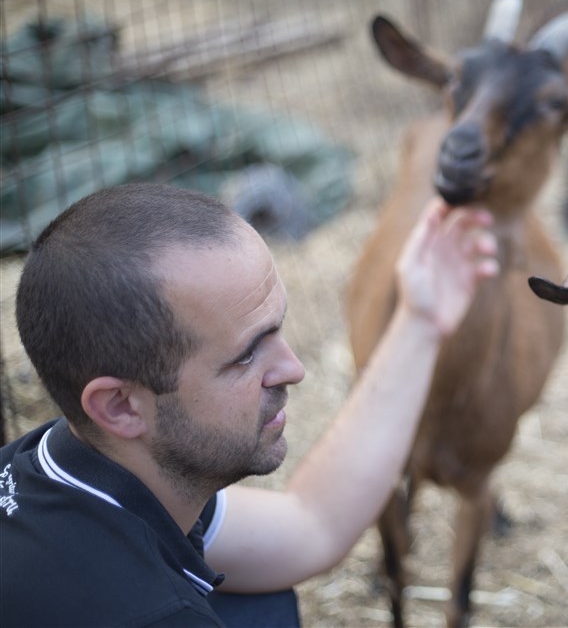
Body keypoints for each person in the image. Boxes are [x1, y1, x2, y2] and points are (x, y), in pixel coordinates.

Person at [0, 182, 499, 627]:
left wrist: (420, 319)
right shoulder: (147, 612)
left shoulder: (69, 462)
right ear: (121, 406)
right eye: (245, 356)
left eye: (277, 330)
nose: (294, 369)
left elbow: (311, 524)